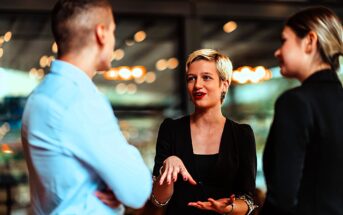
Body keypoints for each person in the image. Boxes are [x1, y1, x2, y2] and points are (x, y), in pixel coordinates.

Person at [21, 0, 152, 214]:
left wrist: (114, 185)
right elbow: (138, 190)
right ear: (101, 33)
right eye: (113, 31)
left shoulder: (40, 96)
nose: (113, 40)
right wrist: (124, 168)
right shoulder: (80, 99)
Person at [151, 49, 257, 215]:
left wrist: (229, 208)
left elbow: (248, 200)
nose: (197, 85)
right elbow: (159, 200)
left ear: (224, 84)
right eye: (191, 78)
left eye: (206, 77)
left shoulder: (242, 134)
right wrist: (167, 168)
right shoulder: (171, 129)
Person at [261, 6, 343, 215]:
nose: (277, 51)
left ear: (310, 41)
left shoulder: (295, 102)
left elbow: (282, 198)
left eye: (284, 40)